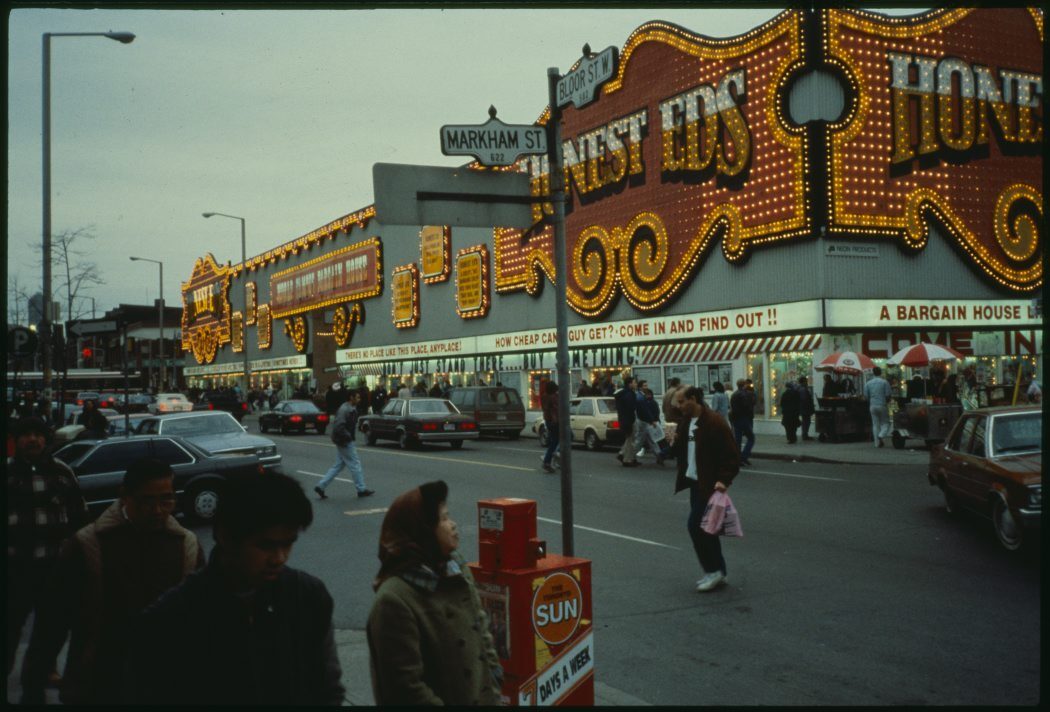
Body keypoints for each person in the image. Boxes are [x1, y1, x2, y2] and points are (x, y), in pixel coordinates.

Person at [20, 458, 204, 704]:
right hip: (98, 682)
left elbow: (203, 619)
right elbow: (52, 621)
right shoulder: (87, 544)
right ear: (124, 496)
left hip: (166, 683)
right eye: (147, 501)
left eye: (166, 499)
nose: (158, 510)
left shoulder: (187, 545)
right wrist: (33, 684)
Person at [367, 481, 502, 706]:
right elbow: (406, 689)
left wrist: (495, 676)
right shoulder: (394, 600)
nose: (453, 525)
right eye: (444, 519)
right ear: (423, 530)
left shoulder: (455, 569)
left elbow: (481, 630)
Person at [6, 417, 88, 680]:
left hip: (53, 568)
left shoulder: (62, 472)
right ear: (16, 441)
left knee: (50, 627)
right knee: (9, 627)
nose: (33, 440)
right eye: (26, 435)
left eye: (38, 435)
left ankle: (40, 675)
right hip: (13, 568)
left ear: (46, 439)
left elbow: (79, 517)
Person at [673, 386, 740, 593]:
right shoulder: (686, 422)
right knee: (709, 529)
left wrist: (723, 480)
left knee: (696, 526)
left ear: (694, 399)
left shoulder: (714, 422)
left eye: (682, 401)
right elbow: (681, 451)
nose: (679, 406)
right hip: (695, 483)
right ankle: (719, 571)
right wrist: (670, 442)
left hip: (709, 485)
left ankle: (712, 571)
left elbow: (732, 456)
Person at [316, 389, 374, 499]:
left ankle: (321, 486)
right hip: (344, 441)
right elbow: (339, 426)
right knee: (355, 464)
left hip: (343, 440)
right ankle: (361, 489)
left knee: (338, 465)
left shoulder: (350, 408)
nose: (359, 399)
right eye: (357, 397)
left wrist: (361, 428)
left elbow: (350, 425)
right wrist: (348, 437)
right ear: (351, 398)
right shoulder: (344, 409)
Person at [863, 366, 893, 447]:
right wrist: (888, 402)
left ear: (873, 373)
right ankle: (881, 435)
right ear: (881, 372)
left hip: (872, 405)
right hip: (882, 405)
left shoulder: (868, 383)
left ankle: (877, 443)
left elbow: (866, 397)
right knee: (886, 423)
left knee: (875, 424)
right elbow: (888, 395)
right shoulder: (884, 382)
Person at [728, 378, 756, 466]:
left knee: (738, 440)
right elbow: (750, 405)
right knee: (751, 438)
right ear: (744, 385)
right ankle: (744, 456)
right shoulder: (746, 394)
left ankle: (738, 458)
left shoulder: (734, 394)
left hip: (736, 418)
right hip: (744, 418)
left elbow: (732, 406)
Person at [614, 376, 640, 467]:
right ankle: (627, 460)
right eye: (634, 382)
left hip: (625, 419)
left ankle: (623, 455)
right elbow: (630, 408)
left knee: (629, 439)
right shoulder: (629, 394)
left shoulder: (623, 393)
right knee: (630, 440)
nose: (636, 384)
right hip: (629, 419)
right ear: (630, 384)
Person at [540, 381, 560, 473]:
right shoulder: (553, 398)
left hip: (548, 421)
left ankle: (548, 460)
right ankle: (556, 454)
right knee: (568, 436)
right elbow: (556, 409)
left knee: (554, 441)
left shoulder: (544, 397)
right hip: (554, 421)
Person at [797, 376, 816, 441]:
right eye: (806, 381)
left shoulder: (801, 388)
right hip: (805, 409)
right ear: (804, 382)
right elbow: (805, 400)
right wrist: (810, 406)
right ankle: (805, 435)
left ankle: (805, 435)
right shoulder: (803, 389)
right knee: (806, 422)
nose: (807, 382)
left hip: (803, 408)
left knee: (805, 422)